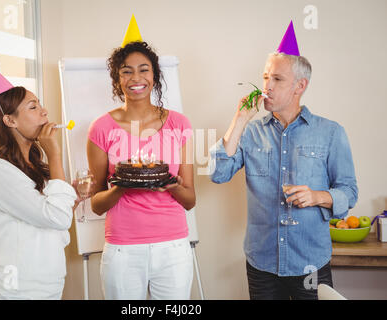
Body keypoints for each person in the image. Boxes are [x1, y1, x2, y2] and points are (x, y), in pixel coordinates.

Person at [208, 22, 358, 299]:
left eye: (277, 79)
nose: (267, 86)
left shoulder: (331, 133)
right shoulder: (250, 132)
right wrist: (239, 120)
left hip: (311, 261)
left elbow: (349, 193)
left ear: (300, 86)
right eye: (265, 77)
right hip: (262, 262)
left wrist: (317, 196)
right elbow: (218, 173)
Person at [0, 60, 93, 299]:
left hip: (48, 285)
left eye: (39, 104)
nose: (44, 112)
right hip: (18, 290)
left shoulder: (34, 166)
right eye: (32, 107)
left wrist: (75, 198)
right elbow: (57, 218)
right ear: (10, 121)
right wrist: (55, 154)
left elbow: (49, 218)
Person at [87, 39, 196, 299]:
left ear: (155, 75)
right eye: (126, 70)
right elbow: (97, 204)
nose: (136, 77)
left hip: (172, 247)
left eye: (144, 69)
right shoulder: (101, 128)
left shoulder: (179, 124)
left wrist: (173, 185)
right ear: (117, 79)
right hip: (123, 249)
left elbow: (190, 200)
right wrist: (121, 188)